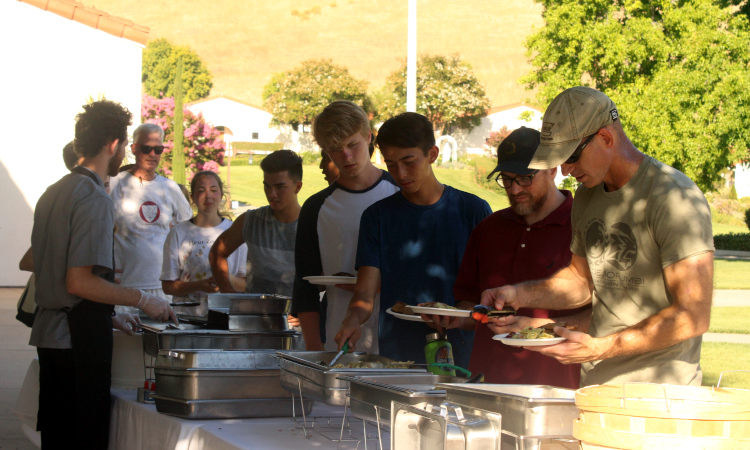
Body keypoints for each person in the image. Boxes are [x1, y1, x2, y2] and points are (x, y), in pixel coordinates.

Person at [482, 87, 715, 386]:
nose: (565, 169)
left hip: (660, 394)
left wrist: (602, 347)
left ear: (605, 138)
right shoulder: (587, 195)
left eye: (571, 157)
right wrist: (518, 294)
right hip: (595, 386)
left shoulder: (673, 197)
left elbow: (693, 316)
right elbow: (580, 281)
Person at [29, 100, 176, 449]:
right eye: (125, 144)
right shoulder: (93, 197)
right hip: (75, 344)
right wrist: (143, 300)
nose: (124, 152)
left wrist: (109, 316)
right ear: (113, 144)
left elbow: (58, 279)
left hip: (52, 337)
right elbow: (79, 282)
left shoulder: (53, 192)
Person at [334, 112, 492, 368]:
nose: (400, 173)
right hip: (400, 355)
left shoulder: (473, 210)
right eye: (391, 164)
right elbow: (364, 291)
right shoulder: (377, 217)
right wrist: (352, 319)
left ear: (432, 154)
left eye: (409, 161)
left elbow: (487, 292)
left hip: (463, 353)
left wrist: (460, 316)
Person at [440, 126, 590, 388]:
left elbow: (604, 316)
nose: (514, 189)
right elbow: (470, 305)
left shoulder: (584, 226)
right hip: (488, 383)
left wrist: (540, 326)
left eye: (524, 178)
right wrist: (459, 317)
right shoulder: (488, 229)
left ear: (552, 168)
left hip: (558, 388)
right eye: (506, 179)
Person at [293, 101, 400, 352]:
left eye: (353, 145)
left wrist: (365, 284)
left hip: (399, 342)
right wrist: (313, 351)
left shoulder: (400, 194)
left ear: (368, 136)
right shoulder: (316, 208)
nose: (347, 157)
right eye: (335, 149)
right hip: (339, 345)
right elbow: (304, 288)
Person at [109, 123, 193, 303]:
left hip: (161, 286)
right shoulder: (114, 184)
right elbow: (97, 228)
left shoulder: (170, 188)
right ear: (134, 148)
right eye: (146, 148)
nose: (152, 154)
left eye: (158, 149)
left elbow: (189, 232)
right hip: (123, 286)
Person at [210, 150, 302, 299]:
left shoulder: (312, 224)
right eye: (267, 186)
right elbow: (217, 252)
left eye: (279, 187)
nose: (272, 194)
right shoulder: (251, 220)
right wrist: (229, 295)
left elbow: (323, 277)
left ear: (297, 186)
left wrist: (305, 310)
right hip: (256, 317)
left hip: (298, 319)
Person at [161, 171, 247, 316]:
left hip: (226, 318)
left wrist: (225, 278)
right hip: (187, 318)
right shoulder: (178, 233)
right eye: (201, 191)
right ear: (192, 197)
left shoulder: (235, 232)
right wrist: (199, 285)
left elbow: (246, 285)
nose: (208, 196)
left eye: (213, 190)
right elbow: (168, 286)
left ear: (221, 195)